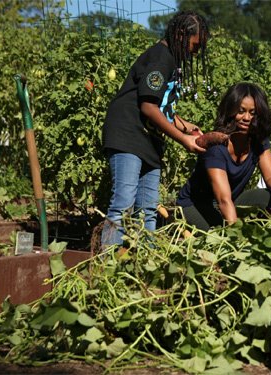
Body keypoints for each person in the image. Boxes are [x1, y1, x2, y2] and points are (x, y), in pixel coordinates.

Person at [100, 11, 210, 248]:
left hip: (148, 141)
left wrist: (183, 124)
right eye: (195, 45)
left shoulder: (173, 59)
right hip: (128, 134)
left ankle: (146, 264)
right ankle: (106, 267)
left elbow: (161, 104)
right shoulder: (162, 58)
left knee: (148, 209)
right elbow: (148, 106)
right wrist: (183, 139)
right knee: (123, 204)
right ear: (181, 35)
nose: (196, 52)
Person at [176, 82, 271, 231]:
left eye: (253, 113)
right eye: (241, 111)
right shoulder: (217, 147)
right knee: (221, 238)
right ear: (230, 110)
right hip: (197, 204)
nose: (246, 117)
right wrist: (237, 235)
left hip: (231, 200)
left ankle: (267, 240)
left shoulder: (258, 141)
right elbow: (223, 200)